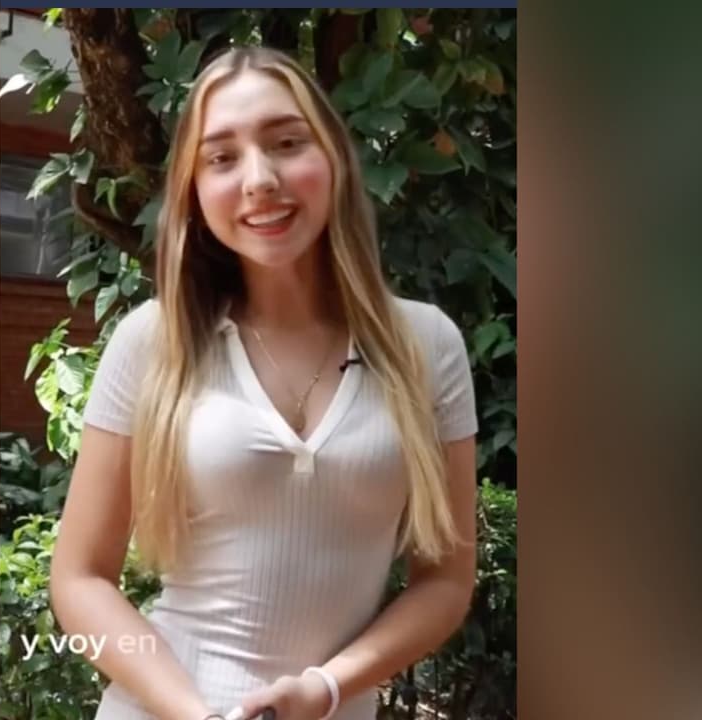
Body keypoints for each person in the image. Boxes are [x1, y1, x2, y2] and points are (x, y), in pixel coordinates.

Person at [51, 46, 479, 720]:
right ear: (194, 190)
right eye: (222, 158)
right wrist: (194, 714)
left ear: (334, 159)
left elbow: (446, 582)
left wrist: (326, 689)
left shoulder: (426, 345)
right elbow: (78, 581)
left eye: (286, 143)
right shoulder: (154, 341)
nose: (259, 179)